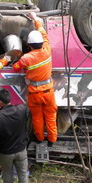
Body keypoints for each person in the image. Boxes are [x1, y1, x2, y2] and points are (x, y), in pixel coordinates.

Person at [12, 12, 57, 147]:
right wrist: (35, 18)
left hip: (34, 93)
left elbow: (15, 68)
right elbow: (43, 32)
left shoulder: (26, 58)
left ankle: (39, 138)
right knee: (50, 116)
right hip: (48, 92)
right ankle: (52, 140)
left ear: (29, 45)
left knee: (37, 117)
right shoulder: (47, 49)